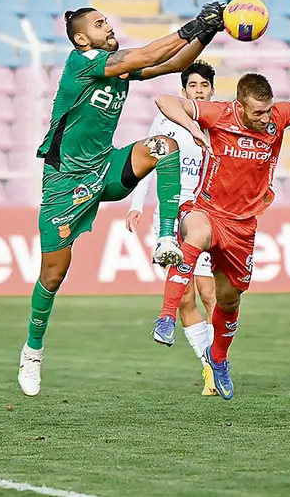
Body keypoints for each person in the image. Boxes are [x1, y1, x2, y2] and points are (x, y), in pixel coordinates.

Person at [17, 3, 226, 397]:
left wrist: (210, 31)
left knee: (164, 144)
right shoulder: (84, 62)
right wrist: (195, 22)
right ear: (82, 38)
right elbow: (149, 54)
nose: (107, 26)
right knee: (53, 274)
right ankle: (33, 350)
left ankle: (166, 239)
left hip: (106, 168)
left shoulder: (115, 66)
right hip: (65, 183)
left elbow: (169, 63)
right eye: (99, 24)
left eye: (106, 20)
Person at [150, 63, 290, 400]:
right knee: (193, 237)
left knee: (229, 298)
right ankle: (165, 319)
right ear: (240, 106)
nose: (265, 118)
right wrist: (192, 127)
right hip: (207, 210)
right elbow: (165, 99)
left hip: (244, 225)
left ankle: (218, 358)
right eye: (257, 112)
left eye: (268, 110)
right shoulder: (220, 113)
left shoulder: (278, 116)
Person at [127, 61, 219, 396]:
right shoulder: (166, 121)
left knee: (211, 294)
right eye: (192, 85)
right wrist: (136, 205)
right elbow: (147, 163)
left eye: (203, 85)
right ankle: (208, 365)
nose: (198, 90)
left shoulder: (217, 122)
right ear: (184, 91)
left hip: (204, 215)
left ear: (211, 90)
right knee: (184, 298)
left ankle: (220, 357)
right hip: (168, 213)